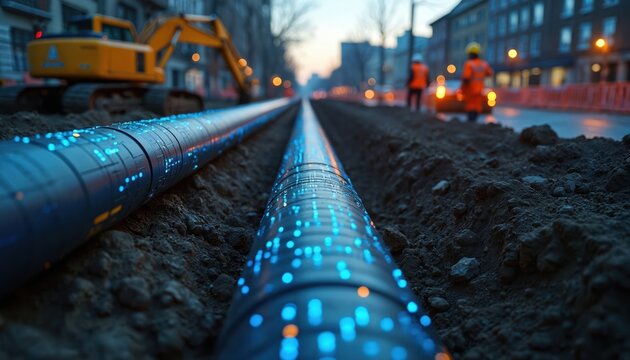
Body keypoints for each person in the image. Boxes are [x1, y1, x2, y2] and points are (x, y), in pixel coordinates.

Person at [460, 42, 493, 122]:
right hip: (480, 89)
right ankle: (474, 121)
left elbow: (466, 78)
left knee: (470, 107)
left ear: (470, 54)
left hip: (470, 90)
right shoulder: (484, 64)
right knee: (477, 106)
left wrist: (462, 89)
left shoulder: (469, 64)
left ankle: (471, 122)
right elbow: (490, 74)